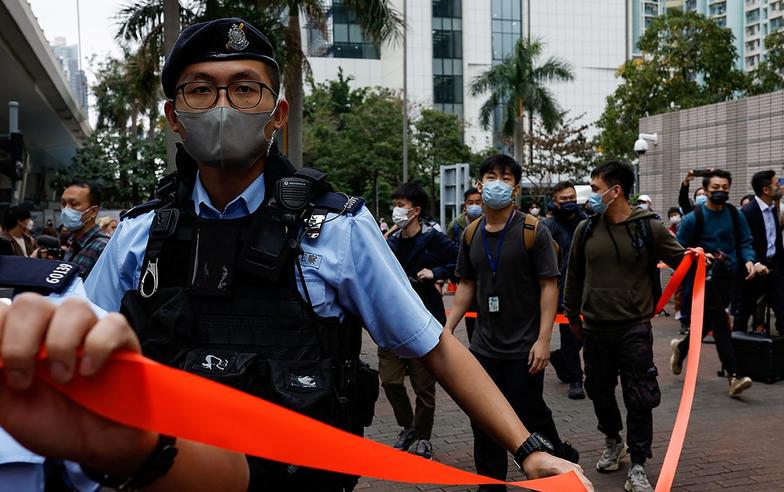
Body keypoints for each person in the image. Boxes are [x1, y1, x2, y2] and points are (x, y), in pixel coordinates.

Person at [0, 18, 589, 492]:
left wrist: (528, 449)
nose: (223, 105)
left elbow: (433, 347)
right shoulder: (139, 235)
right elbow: (76, 354)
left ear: (277, 114)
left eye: (245, 87)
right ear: (174, 118)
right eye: (200, 88)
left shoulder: (333, 228)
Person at [445, 154, 579, 492]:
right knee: (484, 418)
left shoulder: (534, 230)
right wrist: (447, 330)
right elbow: (466, 285)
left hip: (524, 346)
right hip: (483, 348)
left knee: (530, 413)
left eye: (505, 178)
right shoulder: (471, 233)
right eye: (491, 176)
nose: (497, 184)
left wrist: (544, 340)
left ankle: (560, 465)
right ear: (479, 184)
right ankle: (491, 484)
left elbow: (550, 285)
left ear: (515, 188)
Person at [563, 161, 684, 492]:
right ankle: (613, 439)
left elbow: (683, 262)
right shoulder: (585, 230)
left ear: (615, 191)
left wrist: (700, 258)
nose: (591, 193)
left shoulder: (649, 228)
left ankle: (639, 465)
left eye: (596, 187)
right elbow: (573, 275)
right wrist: (572, 315)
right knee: (599, 390)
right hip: (595, 329)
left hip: (634, 328)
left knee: (639, 396)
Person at [383, 183, 459, 460]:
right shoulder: (389, 242)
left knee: (424, 386)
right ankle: (408, 426)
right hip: (391, 323)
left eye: (401, 205)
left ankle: (424, 437)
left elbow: (459, 262)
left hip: (425, 323)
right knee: (390, 381)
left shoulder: (433, 239)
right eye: (396, 204)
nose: (397, 210)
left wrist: (436, 271)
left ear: (415, 211)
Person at [672, 169, 756, 398]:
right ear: (706, 189)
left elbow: (745, 240)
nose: (720, 192)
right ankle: (734, 375)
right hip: (703, 281)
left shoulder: (733, 214)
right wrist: (698, 256)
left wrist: (749, 260)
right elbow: (677, 250)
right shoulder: (693, 218)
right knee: (720, 325)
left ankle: (681, 347)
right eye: (715, 188)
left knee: (706, 324)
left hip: (728, 279)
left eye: (724, 188)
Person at [543, 181, 587, 400]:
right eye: (564, 199)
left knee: (585, 336)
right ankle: (575, 380)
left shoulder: (587, 222)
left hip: (588, 290)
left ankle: (560, 358)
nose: (569, 202)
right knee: (570, 336)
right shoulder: (549, 227)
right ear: (555, 201)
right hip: (562, 291)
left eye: (572, 198)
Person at [732, 170, 784, 334]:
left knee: (782, 309)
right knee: (744, 312)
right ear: (765, 190)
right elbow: (742, 242)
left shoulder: (773, 209)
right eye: (777, 184)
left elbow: (774, 241)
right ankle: (736, 350)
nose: (780, 188)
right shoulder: (747, 212)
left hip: (774, 268)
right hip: (753, 269)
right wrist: (755, 263)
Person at [39, 180, 110, 279]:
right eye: (64, 204)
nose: (66, 210)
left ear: (93, 211)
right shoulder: (73, 243)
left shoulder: (103, 247)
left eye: (74, 204)